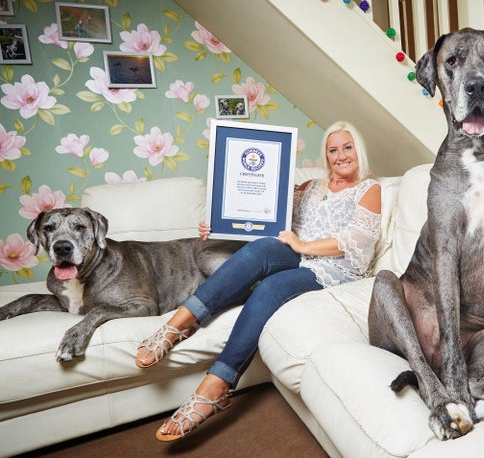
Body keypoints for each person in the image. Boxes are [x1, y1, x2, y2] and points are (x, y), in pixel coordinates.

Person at [135, 121, 382, 441]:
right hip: (300, 253)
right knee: (263, 248)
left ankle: (216, 387)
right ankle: (178, 324)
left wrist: (303, 246)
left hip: (338, 269)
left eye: (347, 147)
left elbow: (357, 239)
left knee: (270, 288)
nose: (341, 156)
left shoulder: (369, 189)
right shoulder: (310, 187)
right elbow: (264, 212)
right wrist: (219, 223)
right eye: (333, 150)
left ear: (358, 150)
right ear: (326, 155)